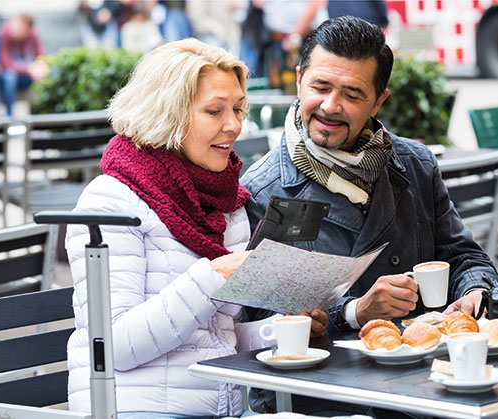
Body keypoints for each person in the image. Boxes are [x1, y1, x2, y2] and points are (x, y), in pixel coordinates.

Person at [241, 16, 498, 417]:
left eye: (352, 94)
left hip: (423, 382)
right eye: (320, 87)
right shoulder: (264, 190)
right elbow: (259, 323)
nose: (330, 106)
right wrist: (356, 311)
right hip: (320, 399)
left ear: (379, 100)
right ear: (298, 80)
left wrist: (474, 293)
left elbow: (465, 257)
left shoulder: (414, 165)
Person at [65, 38, 328, 419]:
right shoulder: (111, 202)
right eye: (214, 111)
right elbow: (114, 346)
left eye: (238, 108)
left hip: (221, 409)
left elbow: (211, 340)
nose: (234, 125)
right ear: (167, 113)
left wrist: (281, 330)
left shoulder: (223, 203)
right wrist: (214, 274)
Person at [0, 13, 47, 116]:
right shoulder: (4, 33)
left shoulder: (33, 34)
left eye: (20, 27)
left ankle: (40, 116)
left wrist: (41, 67)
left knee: (45, 76)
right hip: (8, 76)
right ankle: (9, 116)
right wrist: (29, 69)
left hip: (27, 75)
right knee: (10, 77)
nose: (15, 28)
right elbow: (6, 64)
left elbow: (41, 55)